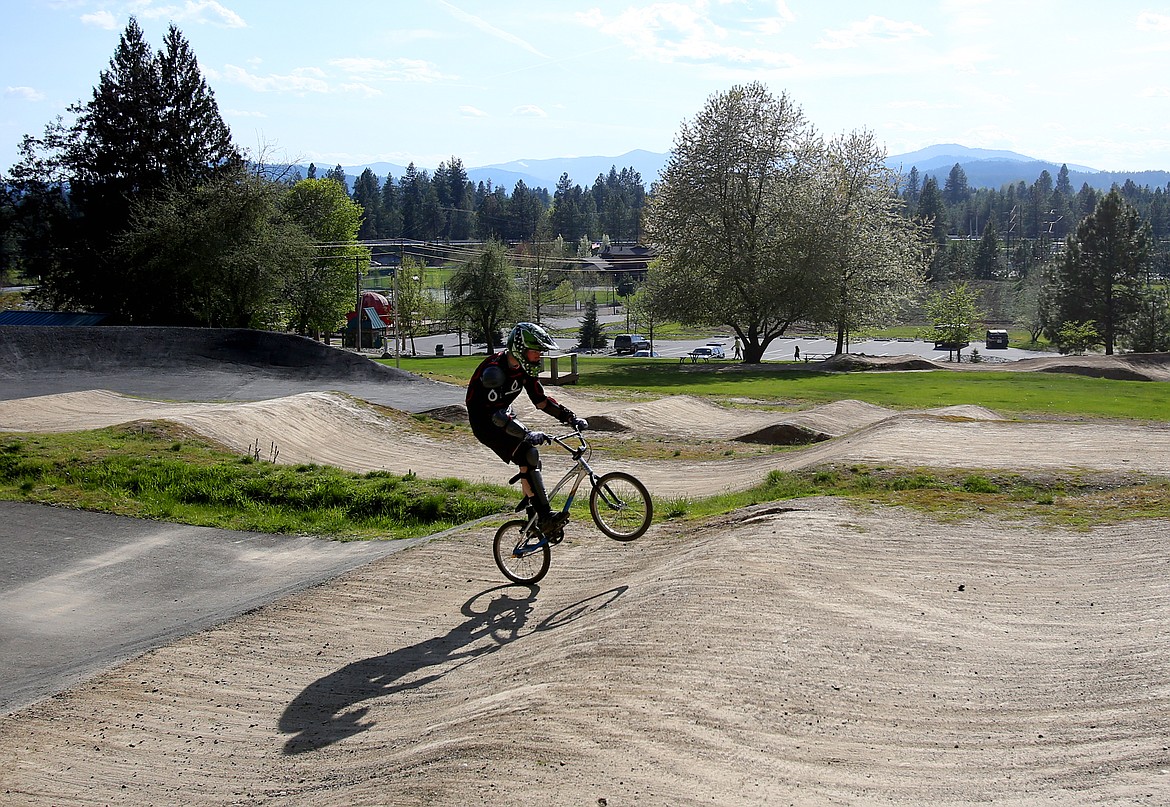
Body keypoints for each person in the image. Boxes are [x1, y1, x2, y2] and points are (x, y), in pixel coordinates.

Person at [466, 322, 588, 535]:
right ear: (520, 351)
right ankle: (545, 517)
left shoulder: (523, 370)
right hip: (485, 423)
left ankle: (534, 518)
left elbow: (541, 401)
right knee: (528, 454)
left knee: (530, 462)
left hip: (503, 417)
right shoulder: (494, 372)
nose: (539, 357)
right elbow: (495, 416)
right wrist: (526, 433)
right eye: (535, 353)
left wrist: (570, 417)